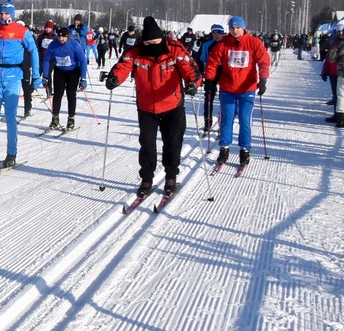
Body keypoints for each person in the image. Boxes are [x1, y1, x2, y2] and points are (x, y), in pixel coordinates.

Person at [105, 17, 202, 197]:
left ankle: (171, 176)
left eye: (155, 42)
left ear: (161, 39)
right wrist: (115, 78)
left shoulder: (174, 49)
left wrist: (193, 83)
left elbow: (191, 68)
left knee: (172, 142)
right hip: (146, 106)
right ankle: (147, 178)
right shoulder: (136, 51)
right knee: (147, 143)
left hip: (172, 104)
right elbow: (123, 65)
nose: (152, 45)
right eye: (148, 42)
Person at [0, 0, 41, 168]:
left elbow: (33, 51)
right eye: (1, 13)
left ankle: (11, 153)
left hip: (13, 77)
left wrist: (36, 75)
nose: (3, 16)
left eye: (6, 13)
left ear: (12, 15)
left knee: (11, 117)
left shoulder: (22, 32)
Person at [203, 15, 271, 167]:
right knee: (226, 120)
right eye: (232, 28)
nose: (234, 31)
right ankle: (224, 148)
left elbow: (264, 61)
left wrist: (263, 80)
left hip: (247, 89)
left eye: (237, 28)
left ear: (243, 27)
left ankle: (245, 150)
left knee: (244, 120)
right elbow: (212, 62)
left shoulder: (253, 42)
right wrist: (209, 80)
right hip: (228, 88)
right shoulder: (223, 44)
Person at [41, 25, 89, 131]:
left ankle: (71, 119)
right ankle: (55, 118)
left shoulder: (75, 45)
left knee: (71, 95)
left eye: (63, 37)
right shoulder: (53, 45)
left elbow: (82, 61)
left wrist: (83, 78)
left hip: (73, 72)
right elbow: (47, 60)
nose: (61, 39)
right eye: (59, 37)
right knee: (57, 95)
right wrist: (45, 76)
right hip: (59, 71)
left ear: (68, 37)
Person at [197, 24, 226, 136]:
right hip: (211, 73)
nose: (217, 35)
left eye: (219, 32)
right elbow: (200, 59)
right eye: (214, 33)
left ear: (223, 33)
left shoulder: (227, 44)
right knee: (209, 97)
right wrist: (200, 73)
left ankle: (222, 124)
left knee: (224, 99)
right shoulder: (207, 44)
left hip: (225, 73)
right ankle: (207, 124)